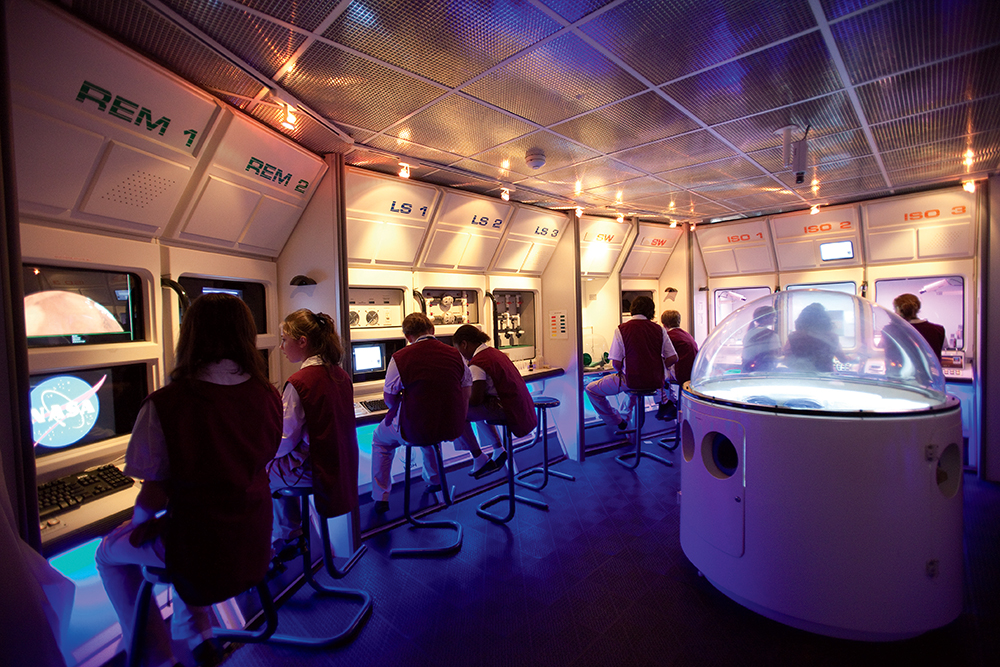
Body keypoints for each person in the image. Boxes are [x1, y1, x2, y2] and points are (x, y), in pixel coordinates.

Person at [95, 293, 281, 667]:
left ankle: (157, 658)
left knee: (107, 554)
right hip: (253, 537)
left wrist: (138, 525)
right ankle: (199, 635)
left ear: (191, 334)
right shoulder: (268, 393)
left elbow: (152, 497)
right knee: (185, 524)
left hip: (198, 547)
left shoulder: (166, 403)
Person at [268, 309, 359, 562]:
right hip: (339, 466)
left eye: (284, 340)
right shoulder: (340, 375)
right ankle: (292, 534)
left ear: (302, 341)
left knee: (260, 473)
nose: (281, 347)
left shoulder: (299, 382)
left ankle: (283, 540)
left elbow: (284, 440)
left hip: (315, 471)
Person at [370, 313, 471, 513]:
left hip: (416, 429)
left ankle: (381, 496)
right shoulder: (455, 354)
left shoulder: (400, 358)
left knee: (380, 440)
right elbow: (466, 390)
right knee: (430, 434)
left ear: (408, 336)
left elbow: (389, 399)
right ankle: (434, 479)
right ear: (432, 330)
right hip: (450, 425)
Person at [451, 325, 537, 477]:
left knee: (458, 413)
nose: (460, 354)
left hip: (506, 408)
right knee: (473, 412)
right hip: (518, 405)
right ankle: (497, 448)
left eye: (458, 349)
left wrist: (458, 396)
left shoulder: (477, 363)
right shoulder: (494, 353)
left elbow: (476, 399)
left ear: (464, 344)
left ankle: (478, 457)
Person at [585, 296, 678, 431]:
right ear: (651, 311)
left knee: (591, 389)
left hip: (631, 380)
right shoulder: (659, 330)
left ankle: (616, 420)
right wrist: (659, 367)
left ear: (632, 309)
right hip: (655, 382)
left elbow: (616, 363)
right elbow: (673, 357)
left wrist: (624, 370)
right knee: (634, 390)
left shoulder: (622, 329)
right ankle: (627, 420)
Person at [656, 310, 698, 421]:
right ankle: (671, 403)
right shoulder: (686, 335)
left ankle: (666, 404)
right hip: (693, 374)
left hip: (681, 373)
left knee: (655, 375)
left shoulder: (669, 336)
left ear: (663, 324)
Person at [783, 302, 849, 372]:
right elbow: (843, 359)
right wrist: (853, 357)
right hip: (824, 375)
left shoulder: (794, 337)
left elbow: (787, 361)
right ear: (825, 320)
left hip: (800, 375)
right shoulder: (832, 337)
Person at [894, 293, 946, 360]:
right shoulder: (938, 330)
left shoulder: (893, 331)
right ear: (918, 308)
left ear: (898, 309)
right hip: (930, 367)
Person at [742, 305, 781, 372]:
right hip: (764, 372)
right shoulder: (771, 335)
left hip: (747, 371)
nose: (776, 318)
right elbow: (775, 356)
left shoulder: (749, 333)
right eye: (773, 316)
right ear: (765, 317)